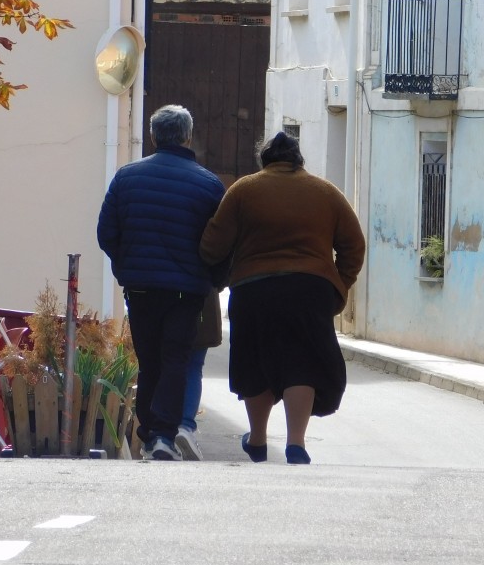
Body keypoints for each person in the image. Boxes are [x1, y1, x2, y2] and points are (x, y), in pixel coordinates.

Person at [199, 131, 365, 465]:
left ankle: (258, 440)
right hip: (309, 291)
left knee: (255, 361)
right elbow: (354, 246)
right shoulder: (326, 192)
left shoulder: (244, 190)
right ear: (298, 159)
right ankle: (296, 443)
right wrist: (338, 286)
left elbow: (211, 247)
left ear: (265, 160)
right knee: (301, 362)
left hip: (254, 289)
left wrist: (231, 267)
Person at [97, 104, 225, 461]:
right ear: (187, 136)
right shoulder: (208, 184)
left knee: (149, 360)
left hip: (139, 289)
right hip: (186, 291)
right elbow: (220, 242)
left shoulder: (126, 177)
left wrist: (126, 267)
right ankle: (162, 436)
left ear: (153, 136)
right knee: (175, 359)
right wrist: (213, 278)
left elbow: (106, 232)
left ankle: (152, 431)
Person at [176, 292, 224, 461]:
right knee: (194, 366)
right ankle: (185, 426)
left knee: (165, 365)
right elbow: (221, 266)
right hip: (200, 294)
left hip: (161, 294)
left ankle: (161, 431)